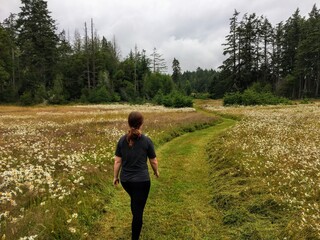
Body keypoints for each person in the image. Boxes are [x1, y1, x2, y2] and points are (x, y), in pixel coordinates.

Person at [113, 111, 159, 240]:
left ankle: (136, 217)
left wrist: (115, 177)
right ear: (141, 124)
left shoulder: (122, 140)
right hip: (142, 181)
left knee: (135, 201)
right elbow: (153, 160)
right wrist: (156, 171)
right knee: (138, 210)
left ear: (129, 123)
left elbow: (117, 161)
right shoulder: (146, 140)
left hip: (126, 180)